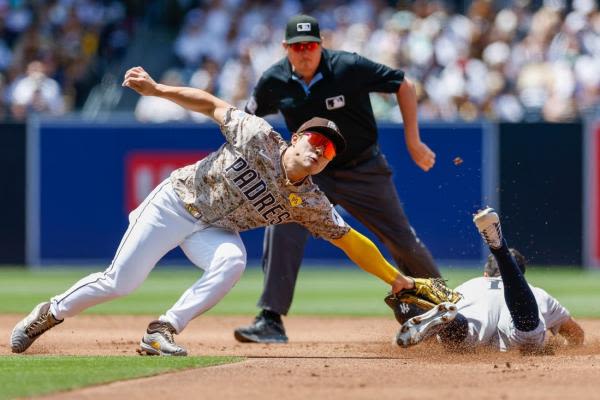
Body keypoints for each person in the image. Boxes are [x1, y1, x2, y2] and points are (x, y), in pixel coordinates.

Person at [9, 66, 455, 356]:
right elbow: (211, 105)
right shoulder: (258, 135)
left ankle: (161, 329)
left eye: (327, 153)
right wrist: (159, 89)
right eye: (315, 142)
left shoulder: (310, 201)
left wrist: (398, 280)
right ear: (297, 137)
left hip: (214, 229)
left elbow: (351, 240)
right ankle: (48, 313)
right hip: (176, 202)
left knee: (233, 260)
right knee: (121, 282)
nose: (319, 153)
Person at [234, 14, 442, 344]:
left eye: (311, 46)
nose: (305, 52)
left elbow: (404, 84)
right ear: (286, 48)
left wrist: (413, 141)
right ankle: (270, 319)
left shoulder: (347, 67)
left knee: (402, 241)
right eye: (298, 46)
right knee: (283, 222)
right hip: (314, 174)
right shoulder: (274, 79)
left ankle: (442, 307)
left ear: (321, 46)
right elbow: (246, 121)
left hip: (364, 169)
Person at [394, 207, 585, 352]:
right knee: (529, 333)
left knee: (461, 334)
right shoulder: (536, 292)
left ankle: (450, 323)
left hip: (473, 321)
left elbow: (429, 343)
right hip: (516, 329)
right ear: (521, 278)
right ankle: (499, 248)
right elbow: (576, 335)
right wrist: (556, 347)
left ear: (486, 274)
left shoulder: (470, 285)